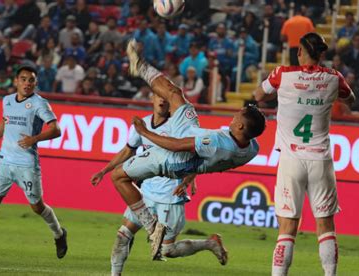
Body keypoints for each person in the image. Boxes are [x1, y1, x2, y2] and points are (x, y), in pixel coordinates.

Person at [108, 39, 266, 260]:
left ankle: (152, 226)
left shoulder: (216, 142)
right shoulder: (252, 147)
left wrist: (145, 132)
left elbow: (174, 145)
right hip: (190, 133)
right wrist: (195, 173)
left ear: (240, 126)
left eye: (238, 115)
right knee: (174, 92)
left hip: (175, 158)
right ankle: (139, 65)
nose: (235, 114)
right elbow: (214, 164)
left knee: (118, 176)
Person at [254, 32, 355, 276]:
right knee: (325, 225)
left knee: (288, 226)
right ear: (322, 54)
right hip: (321, 159)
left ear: (299, 51)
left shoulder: (282, 74)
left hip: (291, 160)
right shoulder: (334, 78)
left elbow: (258, 95)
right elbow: (350, 99)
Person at [91, 94, 227, 275]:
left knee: (167, 250)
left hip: (169, 195)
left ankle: (210, 243)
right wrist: (104, 170)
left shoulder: (177, 127)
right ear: (152, 98)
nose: (162, 101)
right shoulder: (143, 124)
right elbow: (127, 150)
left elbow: (198, 154)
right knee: (123, 235)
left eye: (165, 98)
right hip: (145, 194)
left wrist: (190, 178)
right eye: (158, 97)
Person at [0, 65, 68, 263]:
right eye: (24, 79)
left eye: (31, 80)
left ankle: (59, 234)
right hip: (4, 160)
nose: (27, 83)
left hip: (26, 163)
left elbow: (56, 130)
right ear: (16, 81)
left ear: (35, 83)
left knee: (37, 207)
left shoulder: (39, 104)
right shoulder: (8, 100)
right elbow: (5, 122)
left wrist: (34, 139)